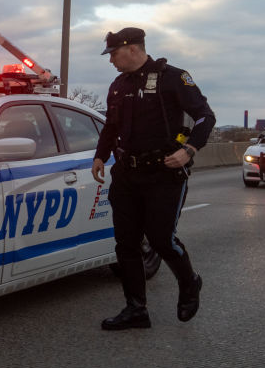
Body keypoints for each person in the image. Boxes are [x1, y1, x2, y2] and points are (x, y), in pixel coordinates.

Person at [91, 27, 216, 331]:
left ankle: (189, 282)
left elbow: (205, 117)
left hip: (164, 172)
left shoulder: (173, 77)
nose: (111, 61)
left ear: (132, 49)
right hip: (127, 174)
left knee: (160, 239)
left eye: (114, 54)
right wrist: (99, 155)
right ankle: (136, 309)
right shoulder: (118, 85)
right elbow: (110, 126)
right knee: (126, 244)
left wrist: (189, 149)